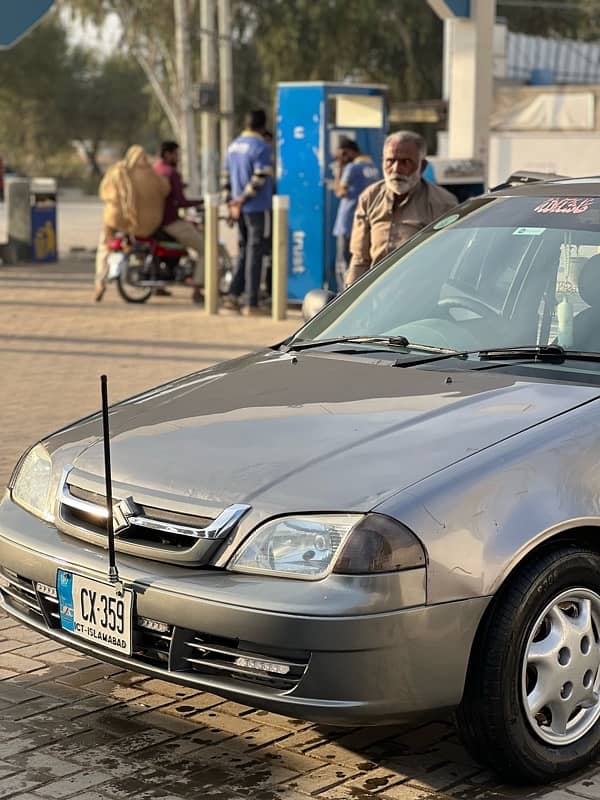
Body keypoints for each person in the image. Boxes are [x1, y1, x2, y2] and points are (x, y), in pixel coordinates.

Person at [345, 131, 457, 288]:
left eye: (405, 162)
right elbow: (359, 258)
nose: (396, 169)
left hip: (416, 298)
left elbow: (446, 262)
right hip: (374, 296)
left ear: (422, 166)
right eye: (390, 161)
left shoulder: (443, 203)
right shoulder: (370, 197)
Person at [94, 145, 170, 302]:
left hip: (115, 220)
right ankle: (147, 280)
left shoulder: (118, 171)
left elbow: (104, 192)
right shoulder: (153, 175)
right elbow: (166, 190)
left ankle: (100, 282)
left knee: (104, 247)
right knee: (145, 247)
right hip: (143, 225)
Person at [221, 109, 274, 316]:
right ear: (262, 126)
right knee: (255, 252)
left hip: (238, 209)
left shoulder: (233, 146)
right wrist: (243, 199)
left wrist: (232, 203)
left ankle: (233, 295)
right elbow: (259, 177)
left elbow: (225, 178)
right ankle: (251, 303)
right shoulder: (261, 146)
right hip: (256, 207)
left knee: (244, 251)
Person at [153, 141, 204, 303]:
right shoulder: (171, 173)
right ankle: (198, 288)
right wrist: (201, 202)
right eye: (176, 154)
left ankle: (159, 286)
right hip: (171, 222)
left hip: (156, 222)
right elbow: (181, 202)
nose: (178, 158)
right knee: (206, 249)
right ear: (168, 154)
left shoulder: (155, 170)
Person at [332, 138, 380, 292]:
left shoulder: (351, 168)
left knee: (343, 262)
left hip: (347, 223)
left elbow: (340, 191)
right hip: (367, 222)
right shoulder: (373, 167)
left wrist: (340, 167)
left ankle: (343, 294)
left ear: (348, 152)